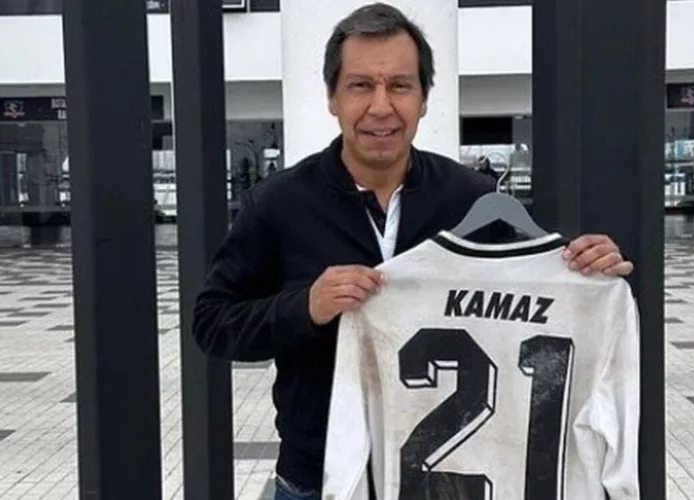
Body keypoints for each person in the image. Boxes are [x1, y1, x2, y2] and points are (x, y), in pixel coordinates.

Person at [192, 3, 634, 500]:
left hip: (446, 485)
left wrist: (584, 270)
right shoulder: (277, 203)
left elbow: (540, 294)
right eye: (360, 85)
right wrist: (305, 307)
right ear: (332, 98)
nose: (381, 106)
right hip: (316, 481)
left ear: (424, 99)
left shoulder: (475, 200)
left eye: (400, 85)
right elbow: (212, 323)